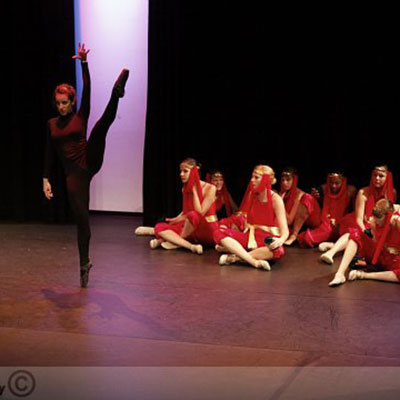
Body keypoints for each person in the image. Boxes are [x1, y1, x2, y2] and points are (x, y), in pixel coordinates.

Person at [43, 43, 129, 288]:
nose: (61, 107)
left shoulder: (80, 116)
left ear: (72, 102)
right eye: (58, 103)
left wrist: (83, 63)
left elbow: (88, 88)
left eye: (65, 102)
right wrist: (46, 178)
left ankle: (116, 92)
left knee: (100, 127)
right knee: (82, 220)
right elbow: (49, 153)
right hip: (73, 175)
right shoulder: (51, 124)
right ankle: (84, 263)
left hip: (89, 159)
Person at [213, 165, 289, 271]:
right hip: (250, 236)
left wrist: (280, 240)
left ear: (266, 180)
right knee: (218, 232)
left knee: (278, 250)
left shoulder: (276, 199)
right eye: (252, 177)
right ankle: (254, 262)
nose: (252, 180)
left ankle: (235, 257)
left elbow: (285, 230)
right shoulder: (251, 195)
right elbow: (246, 219)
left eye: (256, 177)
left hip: (266, 238)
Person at [320, 165, 395, 265]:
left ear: (387, 177)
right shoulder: (363, 192)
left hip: (379, 226)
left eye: (381, 176)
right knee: (355, 233)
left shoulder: (392, 193)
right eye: (375, 175)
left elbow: (389, 215)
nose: (377, 178)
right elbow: (359, 219)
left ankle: (334, 246)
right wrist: (366, 231)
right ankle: (330, 253)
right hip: (361, 224)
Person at [134, 168, 238, 236]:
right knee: (179, 226)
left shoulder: (224, 195)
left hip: (208, 224)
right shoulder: (206, 191)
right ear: (210, 180)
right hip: (196, 220)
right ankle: (154, 231)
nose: (219, 182)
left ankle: (160, 234)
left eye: (221, 180)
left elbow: (235, 210)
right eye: (215, 180)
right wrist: (178, 218)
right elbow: (190, 209)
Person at [150, 158, 218, 254]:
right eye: (181, 171)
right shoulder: (185, 189)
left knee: (193, 215)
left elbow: (200, 212)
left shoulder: (211, 188)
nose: (181, 174)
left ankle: (173, 241)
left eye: (185, 171)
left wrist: (194, 191)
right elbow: (186, 210)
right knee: (159, 227)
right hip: (192, 227)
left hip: (207, 229)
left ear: (194, 172)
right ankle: (190, 246)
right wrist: (176, 219)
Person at [329, 198, 400, 286]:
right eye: (375, 219)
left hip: (395, 259)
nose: (376, 222)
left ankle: (364, 275)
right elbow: (376, 241)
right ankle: (340, 274)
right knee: (356, 233)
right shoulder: (374, 221)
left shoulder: (397, 221)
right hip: (380, 255)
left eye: (379, 220)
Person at [297, 171, 356, 248]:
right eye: (331, 182)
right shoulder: (324, 188)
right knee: (307, 197)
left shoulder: (350, 190)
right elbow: (318, 208)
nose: (333, 186)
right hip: (323, 222)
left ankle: (334, 243)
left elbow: (354, 211)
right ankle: (294, 234)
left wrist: (341, 223)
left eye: (337, 183)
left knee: (308, 238)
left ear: (343, 181)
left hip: (341, 226)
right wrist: (314, 198)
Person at [279, 167, 321, 245]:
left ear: (294, 180)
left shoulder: (299, 195)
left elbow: (289, 220)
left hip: (313, 221)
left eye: (288, 180)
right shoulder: (281, 194)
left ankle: (294, 236)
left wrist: (280, 202)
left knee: (307, 198)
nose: (285, 183)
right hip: (296, 225)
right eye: (283, 180)